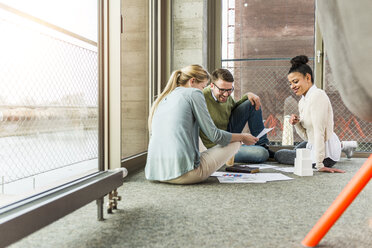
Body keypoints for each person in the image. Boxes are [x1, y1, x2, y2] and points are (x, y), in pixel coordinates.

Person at [145, 65, 258, 184]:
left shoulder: (165, 97)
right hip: (184, 174)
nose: (203, 90)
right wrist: (243, 137)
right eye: (203, 87)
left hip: (155, 173)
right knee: (236, 142)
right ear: (192, 81)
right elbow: (215, 136)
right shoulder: (194, 93)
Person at [274, 55, 357, 173]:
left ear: (308, 78)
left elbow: (319, 132)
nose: (292, 86)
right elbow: (307, 137)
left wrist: (319, 164)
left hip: (326, 153)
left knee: (280, 155)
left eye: (295, 82)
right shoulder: (302, 101)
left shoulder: (318, 96)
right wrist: (297, 124)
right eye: (290, 83)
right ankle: (344, 145)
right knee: (295, 150)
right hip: (314, 142)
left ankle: (339, 147)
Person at [199, 68, 273, 164]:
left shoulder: (226, 97)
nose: (226, 94)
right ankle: (261, 150)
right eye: (222, 90)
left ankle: (262, 144)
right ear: (212, 86)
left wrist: (248, 95)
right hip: (215, 146)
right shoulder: (201, 98)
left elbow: (235, 110)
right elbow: (214, 135)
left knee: (252, 102)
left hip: (229, 135)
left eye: (229, 90)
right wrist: (241, 137)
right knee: (261, 153)